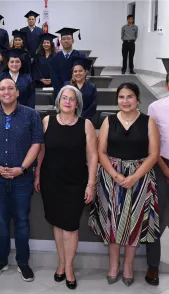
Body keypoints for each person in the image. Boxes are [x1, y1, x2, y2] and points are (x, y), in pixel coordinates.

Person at [88, 83, 160, 287]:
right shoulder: (108, 120)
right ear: (117, 99)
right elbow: (100, 152)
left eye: (130, 97)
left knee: (134, 223)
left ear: (138, 100)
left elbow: (154, 154)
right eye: (121, 97)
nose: (125, 101)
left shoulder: (148, 122)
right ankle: (113, 265)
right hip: (111, 178)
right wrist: (117, 176)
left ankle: (128, 266)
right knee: (112, 223)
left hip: (140, 177)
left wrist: (134, 176)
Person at [34, 85, 98, 290]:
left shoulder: (85, 124)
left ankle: (69, 267)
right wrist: (37, 174)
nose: (68, 102)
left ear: (77, 103)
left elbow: (92, 156)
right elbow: (41, 151)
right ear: (58, 101)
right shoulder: (47, 121)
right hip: (50, 180)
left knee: (70, 225)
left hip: (76, 182)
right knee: (57, 224)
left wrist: (91, 183)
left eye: (72, 99)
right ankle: (61, 263)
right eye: (64, 98)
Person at [0, 78, 43, 282]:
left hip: (22, 179)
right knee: (0, 222)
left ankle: (23, 262)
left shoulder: (31, 115)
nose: (6, 91)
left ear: (17, 92)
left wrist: (22, 168)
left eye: (10, 88)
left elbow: (36, 144)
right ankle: (1, 260)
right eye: (2, 89)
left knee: (22, 221)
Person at [146, 74, 169, 286]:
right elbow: (152, 141)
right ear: (167, 84)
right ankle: (153, 266)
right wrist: (163, 167)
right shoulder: (155, 107)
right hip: (162, 166)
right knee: (156, 218)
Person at [49, 27, 85, 98]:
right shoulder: (54, 58)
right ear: (61, 41)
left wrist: (74, 89)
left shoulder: (80, 56)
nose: (66, 41)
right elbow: (54, 77)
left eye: (68, 38)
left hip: (77, 91)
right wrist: (61, 91)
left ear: (73, 41)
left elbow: (81, 75)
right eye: (64, 39)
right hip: (60, 92)